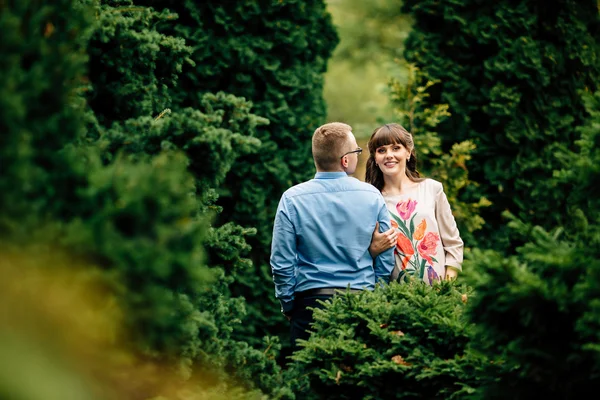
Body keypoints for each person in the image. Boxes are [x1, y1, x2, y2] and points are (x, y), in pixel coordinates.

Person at [270, 122, 395, 352]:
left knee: (307, 381)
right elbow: (386, 255)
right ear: (345, 160)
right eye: (357, 151)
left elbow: (281, 263)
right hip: (361, 301)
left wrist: (289, 305)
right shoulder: (371, 196)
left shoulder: (291, 199)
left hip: (309, 306)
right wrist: (377, 295)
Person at [365, 123, 463, 283]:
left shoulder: (432, 189)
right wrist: (373, 249)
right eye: (381, 150)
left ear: (408, 152)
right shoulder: (371, 200)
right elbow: (360, 254)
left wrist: (446, 288)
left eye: (396, 148)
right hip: (393, 299)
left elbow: (453, 244)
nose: (389, 155)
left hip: (437, 296)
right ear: (375, 158)